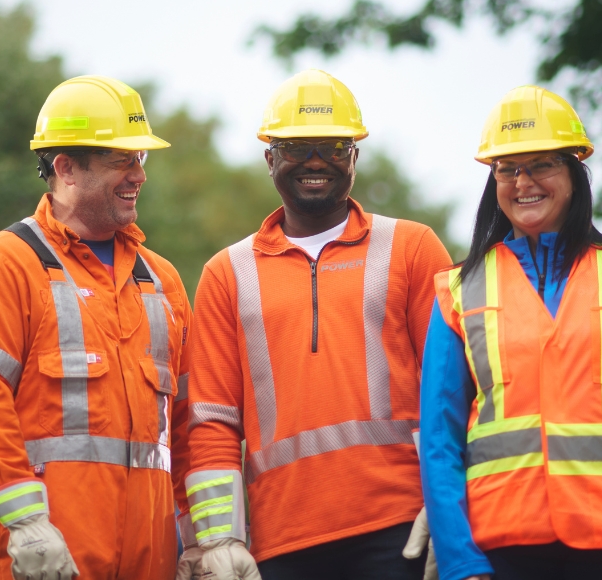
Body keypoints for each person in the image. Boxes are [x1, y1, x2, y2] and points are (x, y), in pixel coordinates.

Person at [174, 69, 452, 580]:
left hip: (402, 527)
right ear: (269, 159)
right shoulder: (226, 274)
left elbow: (453, 392)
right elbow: (212, 421)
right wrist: (219, 540)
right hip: (281, 542)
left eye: (333, 147)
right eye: (297, 148)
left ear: (355, 157)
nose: (316, 162)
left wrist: (449, 506)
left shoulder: (411, 248)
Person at [420, 85, 602, 580]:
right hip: (502, 550)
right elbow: (439, 441)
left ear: (574, 174)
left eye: (541, 164)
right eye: (507, 169)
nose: (523, 181)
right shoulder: (458, 290)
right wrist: (458, 557)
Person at [0, 76, 192, 580]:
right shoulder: (5, 265)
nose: (138, 174)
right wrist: (27, 522)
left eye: (141, 159)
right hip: (46, 563)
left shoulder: (162, 281)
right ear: (65, 168)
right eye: (122, 159)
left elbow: (187, 429)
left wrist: (205, 541)